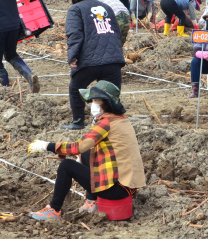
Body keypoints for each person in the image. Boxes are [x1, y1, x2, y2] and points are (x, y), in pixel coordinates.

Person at [27, 80, 145, 220]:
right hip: (128, 187)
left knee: (66, 166)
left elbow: (78, 146)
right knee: (87, 153)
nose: (92, 104)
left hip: (116, 189)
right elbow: (86, 149)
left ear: (105, 103)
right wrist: (82, 156)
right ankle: (92, 201)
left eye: (95, 100)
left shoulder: (106, 123)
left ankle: (53, 210)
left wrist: (47, 146)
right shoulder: (121, 119)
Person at [65, 0, 125, 130]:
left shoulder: (75, 9)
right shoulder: (106, 7)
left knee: (76, 88)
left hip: (89, 60)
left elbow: (74, 34)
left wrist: (72, 56)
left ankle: (78, 122)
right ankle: (111, 122)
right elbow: (117, 31)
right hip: (113, 60)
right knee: (109, 93)